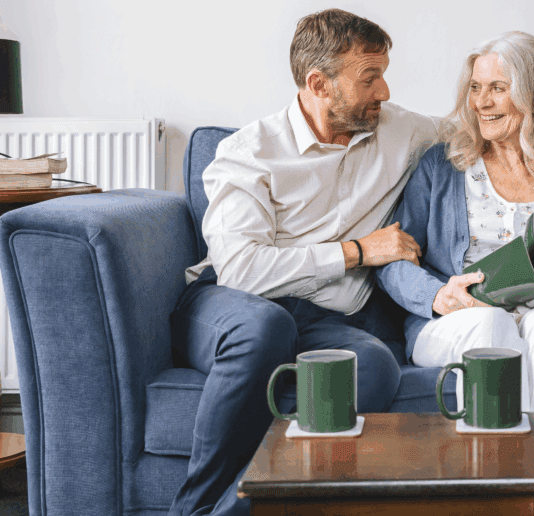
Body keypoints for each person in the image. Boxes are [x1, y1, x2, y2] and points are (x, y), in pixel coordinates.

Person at [169, 9, 441, 516]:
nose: (384, 91)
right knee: (265, 328)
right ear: (319, 83)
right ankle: (192, 507)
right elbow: (242, 271)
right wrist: (357, 252)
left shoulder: (400, 130)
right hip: (231, 306)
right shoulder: (249, 153)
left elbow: (484, 126)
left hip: (325, 321)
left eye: (383, 73)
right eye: (369, 78)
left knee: (375, 367)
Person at [375, 31, 534, 516]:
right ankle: (492, 503)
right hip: (455, 320)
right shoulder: (441, 167)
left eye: (498, 88)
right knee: (492, 324)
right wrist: (440, 295)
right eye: (476, 88)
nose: (482, 102)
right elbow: (393, 259)